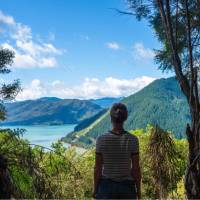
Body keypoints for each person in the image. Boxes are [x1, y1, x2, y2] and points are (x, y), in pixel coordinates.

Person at [92, 103, 141, 199]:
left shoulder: (101, 139)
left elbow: (97, 168)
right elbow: (136, 169)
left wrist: (95, 189)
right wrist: (138, 190)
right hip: (127, 187)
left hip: (106, 188)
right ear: (125, 118)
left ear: (111, 118)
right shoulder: (133, 139)